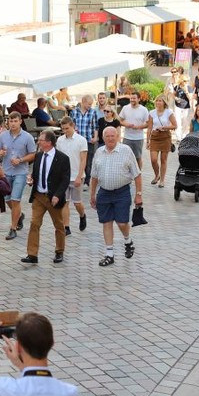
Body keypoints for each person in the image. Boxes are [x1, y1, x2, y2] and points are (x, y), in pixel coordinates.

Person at [89, 127, 143, 267]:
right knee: (106, 222)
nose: (110, 138)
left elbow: (137, 174)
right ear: (103, 137)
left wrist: (138, 194)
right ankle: (109, 254)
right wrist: (92, 194)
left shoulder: (126, 150)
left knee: (122, 222)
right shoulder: (99, 152)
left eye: (113, 136)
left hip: (122, 192)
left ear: (118, 136)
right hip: (104, 192)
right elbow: (94, 176)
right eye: (107, 136)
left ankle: (128, 240)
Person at [21, 131, 71, 265]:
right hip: (38, 196)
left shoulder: (62, 158)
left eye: (41, 140)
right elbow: (36, 173)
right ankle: (32, 254)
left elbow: (65, 180)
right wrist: (32, 180)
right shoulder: (38, 156)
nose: (39, 142)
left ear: (49, 142)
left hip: (53, 197)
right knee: (34, 223)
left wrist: (57, 195)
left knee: (59, 225)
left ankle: (59, 251)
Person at [0, 112, 36, 240]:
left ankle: (13, 229)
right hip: (6, 171)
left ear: (20, 121)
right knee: (7, 199)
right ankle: (19, 215)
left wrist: (21, 160)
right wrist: (0, 153)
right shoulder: (2, 136)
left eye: (15, 121)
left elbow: (33, 154)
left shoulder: (27, 137)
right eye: (10, 121)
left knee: (15, 199)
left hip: (21, 172)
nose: (12, 123)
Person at [56, 116, 88, 235]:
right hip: (64, 177)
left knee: (77, 202)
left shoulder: (81, 140)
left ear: (73, 126)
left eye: (67, 128)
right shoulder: (60, 140)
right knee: (64, 202)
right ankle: (66, 227)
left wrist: (80, 176)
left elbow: (83, 160)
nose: (65, 131)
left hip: (76, 175)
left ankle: (82, 215)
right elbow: (58, 158)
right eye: (63, 129)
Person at [145, 95, 176, 188]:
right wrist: (147, 141)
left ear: (164, 103)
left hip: (165, 136)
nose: (158, 102)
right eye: (157, 101)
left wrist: (164, 127)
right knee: (153, 159)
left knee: (163, 159)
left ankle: (162, 180)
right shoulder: (152, 113)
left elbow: (175, 125)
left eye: (160, 101)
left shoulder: (168, 112)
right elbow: (149, 127)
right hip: (154, 137)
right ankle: (156, 175)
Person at [70, 94, 99, 185]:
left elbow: (95, 126)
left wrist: (95, 137)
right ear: (83, 102)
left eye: (91, 104)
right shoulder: (74, 112)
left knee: (88, 161)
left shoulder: (92, 112)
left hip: (88, 141)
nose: (90, 106)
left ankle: (86, 181)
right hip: (77, 141)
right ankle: (77, 177)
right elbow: (71, 126)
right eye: (89, 104)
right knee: (77, 160)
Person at [119, 91, 149, 169]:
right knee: (125, 157)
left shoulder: (144, 110)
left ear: (139, 99)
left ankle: (138, 174)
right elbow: (119, 120)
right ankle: (126, 173)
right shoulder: (125, 108)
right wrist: (126, 124)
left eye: (134, 98)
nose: (132, 100)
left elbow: (148, 123)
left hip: (138, 138)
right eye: (131, 98)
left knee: (138, 157)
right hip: (127, 137)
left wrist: (139, 127)